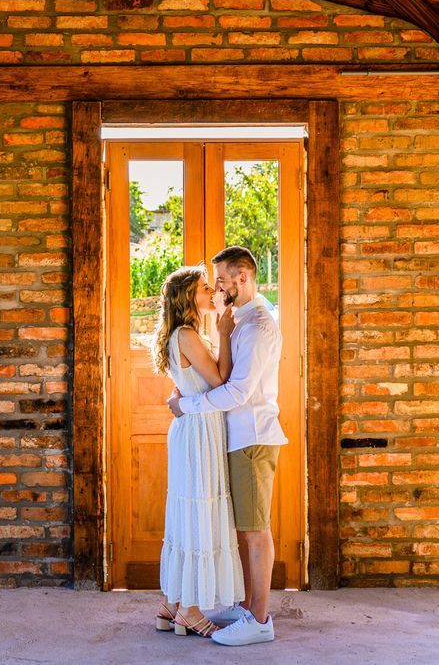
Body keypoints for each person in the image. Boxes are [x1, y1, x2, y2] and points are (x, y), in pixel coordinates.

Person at [167, 246, 286, 646]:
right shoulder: (240, 321)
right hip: (236, 439)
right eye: (212, 282)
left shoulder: (258, 327)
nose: (217, 288)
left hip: (252, 438)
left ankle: (260, 620)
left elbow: (236, 391)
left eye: (221, 280)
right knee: (245, 529)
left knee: (255, 532)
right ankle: (249, 606)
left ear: (243, 276)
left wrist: (187, 405)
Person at [152, 265, 244, 638]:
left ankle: (171, 605)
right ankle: (190, 610)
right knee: (198, 511)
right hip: (198, 432)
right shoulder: (188, 334)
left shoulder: (182, 334)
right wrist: (223, 333)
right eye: (205, 288)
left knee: (188, 510)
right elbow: (220, 380)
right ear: (189, 297)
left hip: (191, 428)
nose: (213, 291)